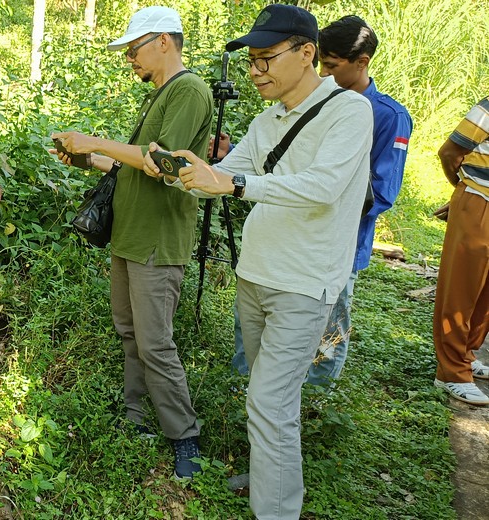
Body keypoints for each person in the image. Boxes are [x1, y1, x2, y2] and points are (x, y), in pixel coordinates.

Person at [144, 4, 372, 518]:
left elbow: (322, 187)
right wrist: (180, 170)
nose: (254, 71)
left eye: (266, 58)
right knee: (270, 398)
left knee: (270, 402)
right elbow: (221, 177)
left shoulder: (349, 112)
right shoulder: (267, 119)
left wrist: (235, 182)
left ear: (307, 53)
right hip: (255, 275)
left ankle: (276, 508)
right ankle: (272, 472)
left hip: (303, 283)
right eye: (251, 61)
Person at [50, 5, 213, 479]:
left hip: (157, 240)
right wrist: (85, 158)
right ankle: (136, 415)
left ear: (163, 41)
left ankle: (184, 437)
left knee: (155, 343)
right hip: (130, 236)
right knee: (130, 332)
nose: (130, 58)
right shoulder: (161, 94)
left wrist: (95, 141)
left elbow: (163, 165)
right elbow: (133, 165)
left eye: (134, 48)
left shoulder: (189, 90)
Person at [221, 15, 414, 386]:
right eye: (322, 64)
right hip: (278, 249)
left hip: (335, 246)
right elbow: (279, 170)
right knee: (264, 357)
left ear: (362, 62)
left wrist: (330, 211)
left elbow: (379, 190)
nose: (324, 73)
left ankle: (318, 397)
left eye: (332, 66)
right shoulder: (281, 113)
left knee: (327, 334)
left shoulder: (383, 115)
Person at [432, 96, 489, 405]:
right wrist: (463, 190)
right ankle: (451, 372)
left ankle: (466, 354)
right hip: (480, 201)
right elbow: (450, 152)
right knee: (461, 290)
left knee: (485, 294)